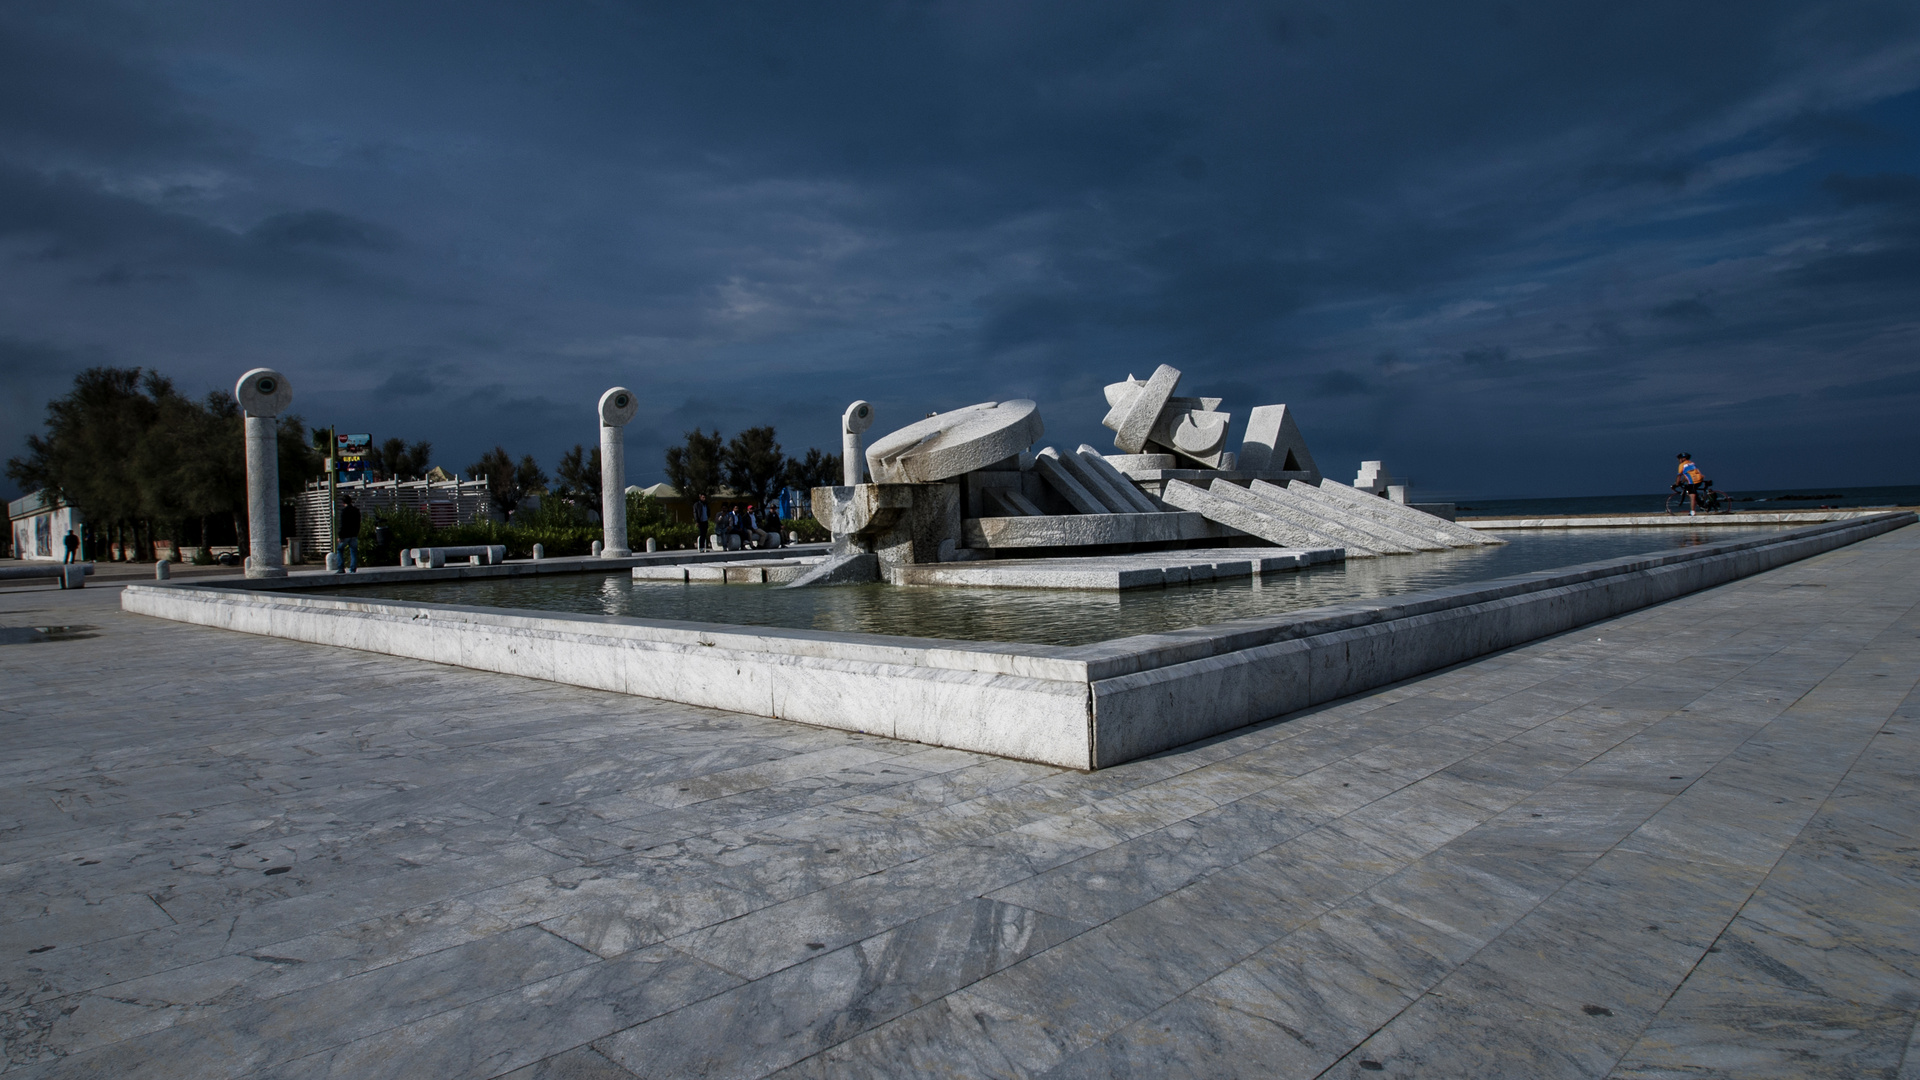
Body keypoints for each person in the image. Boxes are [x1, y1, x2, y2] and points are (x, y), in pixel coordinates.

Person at [337, 495, 362, 572]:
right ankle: (353, 568)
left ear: (343, 502)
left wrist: (340, 535)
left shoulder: (344, 511)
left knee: (340, 550)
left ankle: (341, 568)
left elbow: (343, 524)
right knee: (353, 551)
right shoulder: (356, 510)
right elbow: (358, 522)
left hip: (345, 535)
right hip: (354, 534)